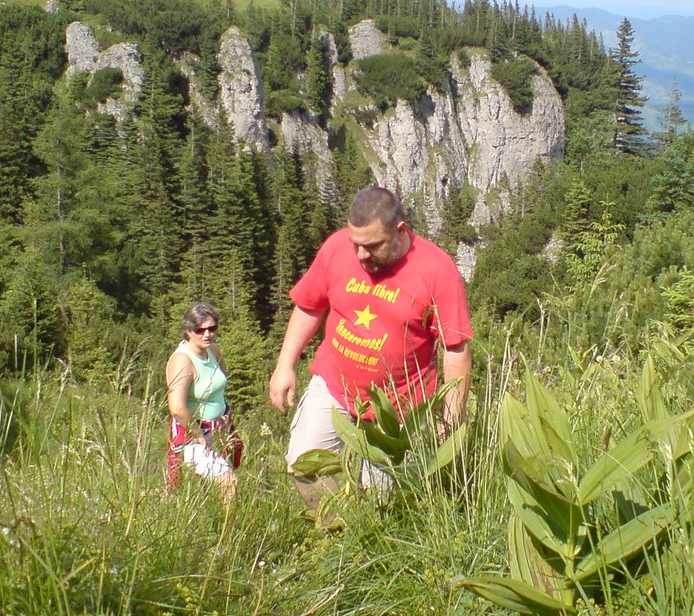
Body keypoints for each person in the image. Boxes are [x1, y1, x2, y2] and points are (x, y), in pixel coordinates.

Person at [268, 185, 473, 510]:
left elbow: (456, 349)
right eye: (356, 244)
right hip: (334, 386)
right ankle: (335, 532)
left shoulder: (438, 271)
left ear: (400, 231)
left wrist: (449, 418)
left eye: (372, 246)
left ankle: (370, 543)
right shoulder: (337, 247)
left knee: (384, 503)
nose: (361, 255)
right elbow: (309, 305)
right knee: (303, 465)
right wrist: (285, 365)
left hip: (400, 408)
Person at [166, 302, 242, 504]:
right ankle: (227, 534)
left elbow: (221, 379)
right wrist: (199, 434)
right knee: (229, 483)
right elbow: (176, 407)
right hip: (194, 433)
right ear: (188, 331)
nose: (207, 334)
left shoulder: (213, 351)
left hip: (220, 427)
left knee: (208, 489)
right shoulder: (182, 361)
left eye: (212, 328)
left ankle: (216, 524)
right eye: (200, 330)